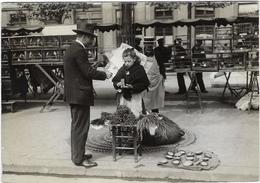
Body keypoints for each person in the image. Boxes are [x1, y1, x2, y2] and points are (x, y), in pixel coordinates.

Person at [63, 23, 112, 168]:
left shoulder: (72, 48)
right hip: (80, 95)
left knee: (77, 126)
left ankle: (78, 155)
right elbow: (87, 73)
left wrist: (92, 68)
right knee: (81, 128)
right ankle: (79, 159)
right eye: (91, 38)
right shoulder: (79, 50)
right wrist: (106, 74)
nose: (92, 42)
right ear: (84, 36)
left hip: (74, 94)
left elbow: (80, 71)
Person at [112, 48, 150, 117]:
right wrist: (117, 84)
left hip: (136, 98)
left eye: (129, 61)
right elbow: (115, 80)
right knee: (124, 116)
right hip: (124, 98)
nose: (126, 63)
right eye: (125, 61)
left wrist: (133, 87)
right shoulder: (122, 69)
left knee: (136, 116)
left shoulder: (139, 69)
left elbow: (145, 83)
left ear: (134, 59)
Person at [143, 47, 165, 113]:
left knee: (147, 99)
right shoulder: (157, 59)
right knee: (155, 99)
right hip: (156, 81)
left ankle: (148, 114)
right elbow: (162, 68)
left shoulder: (143, 60)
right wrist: (162, 76)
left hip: (147, 82)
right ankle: (155, 114)